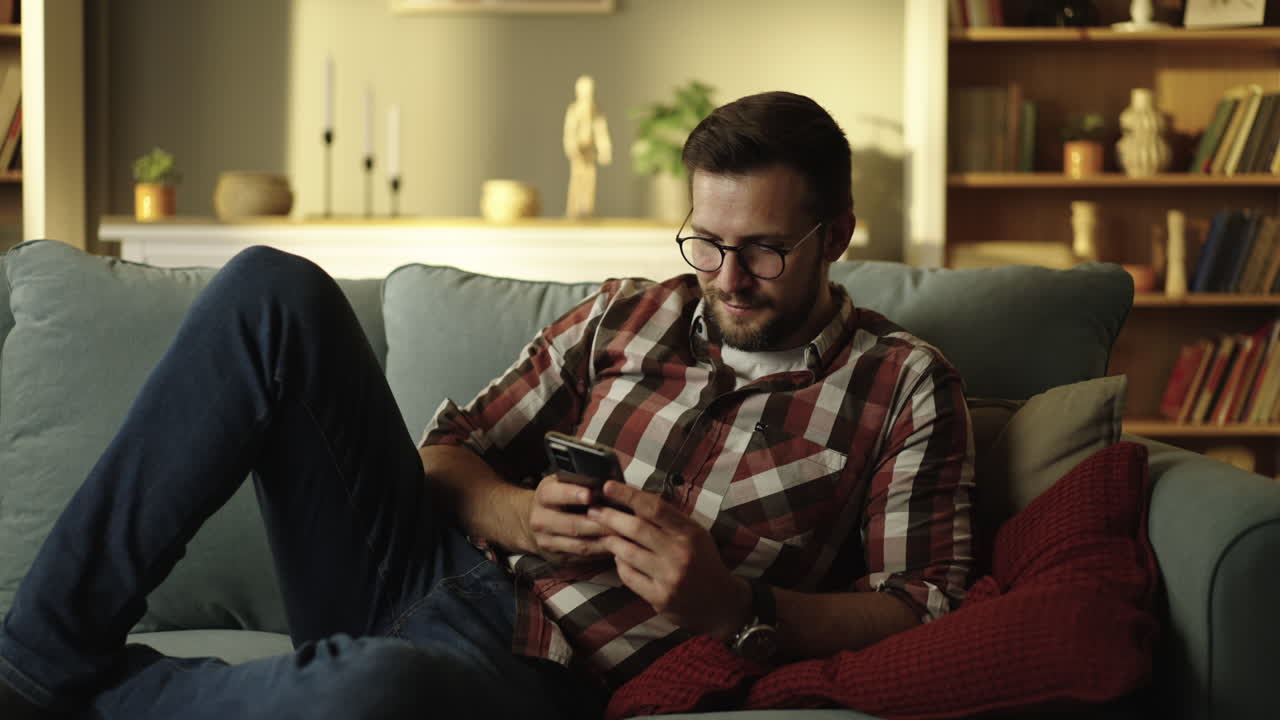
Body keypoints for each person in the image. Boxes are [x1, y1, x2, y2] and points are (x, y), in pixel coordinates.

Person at [0, 90, 973, 720]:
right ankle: (34, 657)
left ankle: (61, 690)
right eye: (705, 243)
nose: (726, 277)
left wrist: (734, 605)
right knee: (269, 290)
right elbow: (445, 449)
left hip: (537, 675)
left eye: (761, 248)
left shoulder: (901, 384)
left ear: (836, 231)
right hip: (417, 568)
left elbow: (922, 608)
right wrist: (512, 509)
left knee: (375, 694)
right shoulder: (625, 313)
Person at [563, 74, 612, 219]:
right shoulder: (574, 110)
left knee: (590, 179)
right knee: (577, 179)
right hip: (579, 151)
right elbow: (569, 131)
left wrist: (605, 150)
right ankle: (573, 209)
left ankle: (587, 209)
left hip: (590, 151)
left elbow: (601, 133)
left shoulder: (596, 111)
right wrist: (572, 147)